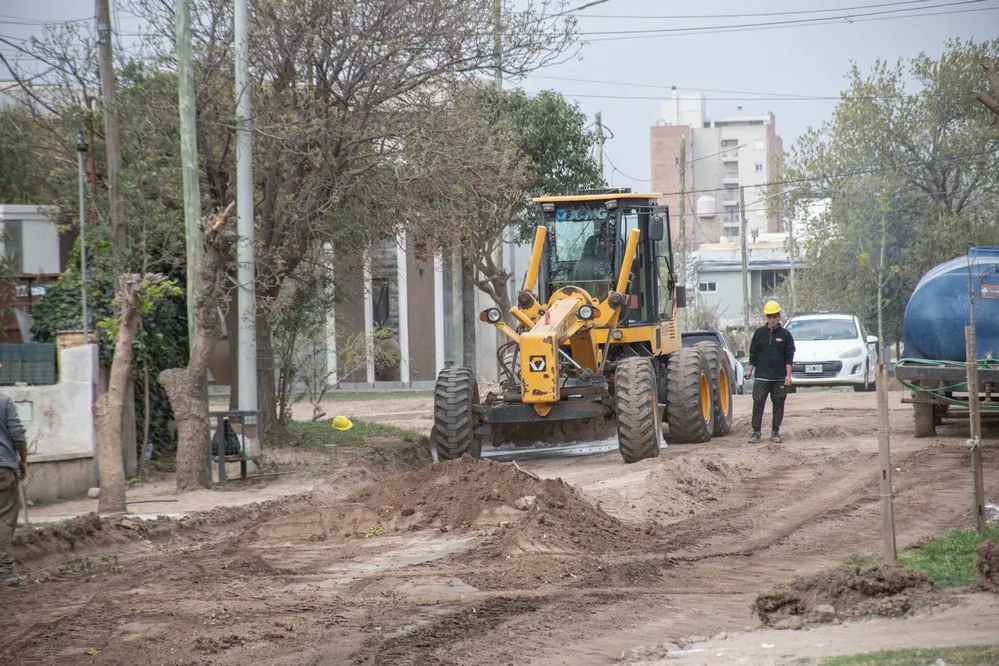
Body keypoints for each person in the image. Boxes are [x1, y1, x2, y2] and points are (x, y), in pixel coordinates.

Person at [744, 300, 795, 443]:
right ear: (766, 317)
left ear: (779, 317)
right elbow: (753, 354)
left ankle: (775, 431)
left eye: (774, 317)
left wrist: (788, 375)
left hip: (779, 377)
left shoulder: (785, 335)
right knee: (758, 403)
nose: (772, 320)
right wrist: (749, 370)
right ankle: (756, 432)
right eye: (769, 317)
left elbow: (789, 357)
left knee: (779, 403)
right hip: (762, 377)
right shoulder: (759, 334)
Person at [0, 392, 27, 583]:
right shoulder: (4, 401)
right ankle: (4, 568)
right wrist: (23, 460)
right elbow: (17, 434)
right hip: (3, 468)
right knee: (4, 518)